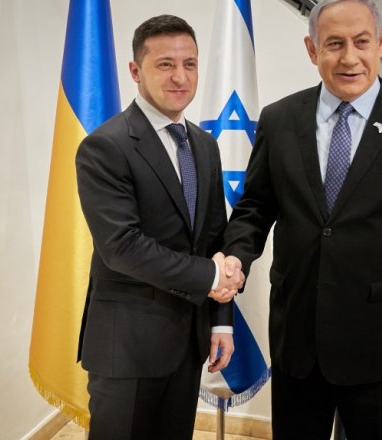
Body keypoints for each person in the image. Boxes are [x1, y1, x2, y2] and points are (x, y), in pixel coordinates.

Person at [220, 1, 382, 438]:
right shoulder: (279, 120)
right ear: (312, 49)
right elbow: (255, 206)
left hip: (379, 343)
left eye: (361, 42)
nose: (350, 58)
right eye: (334, 44)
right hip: (298, 336)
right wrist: (237, 256)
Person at [75, 15, 245, 440]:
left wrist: (221, 321)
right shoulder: (105, 146)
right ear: (136, 71)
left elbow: (214, 240)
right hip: (127, 348)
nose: (180, 77)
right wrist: (212, 278)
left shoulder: (203, 144)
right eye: (165, 64)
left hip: (187, 344)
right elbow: (122, 246)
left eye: (190, 64)